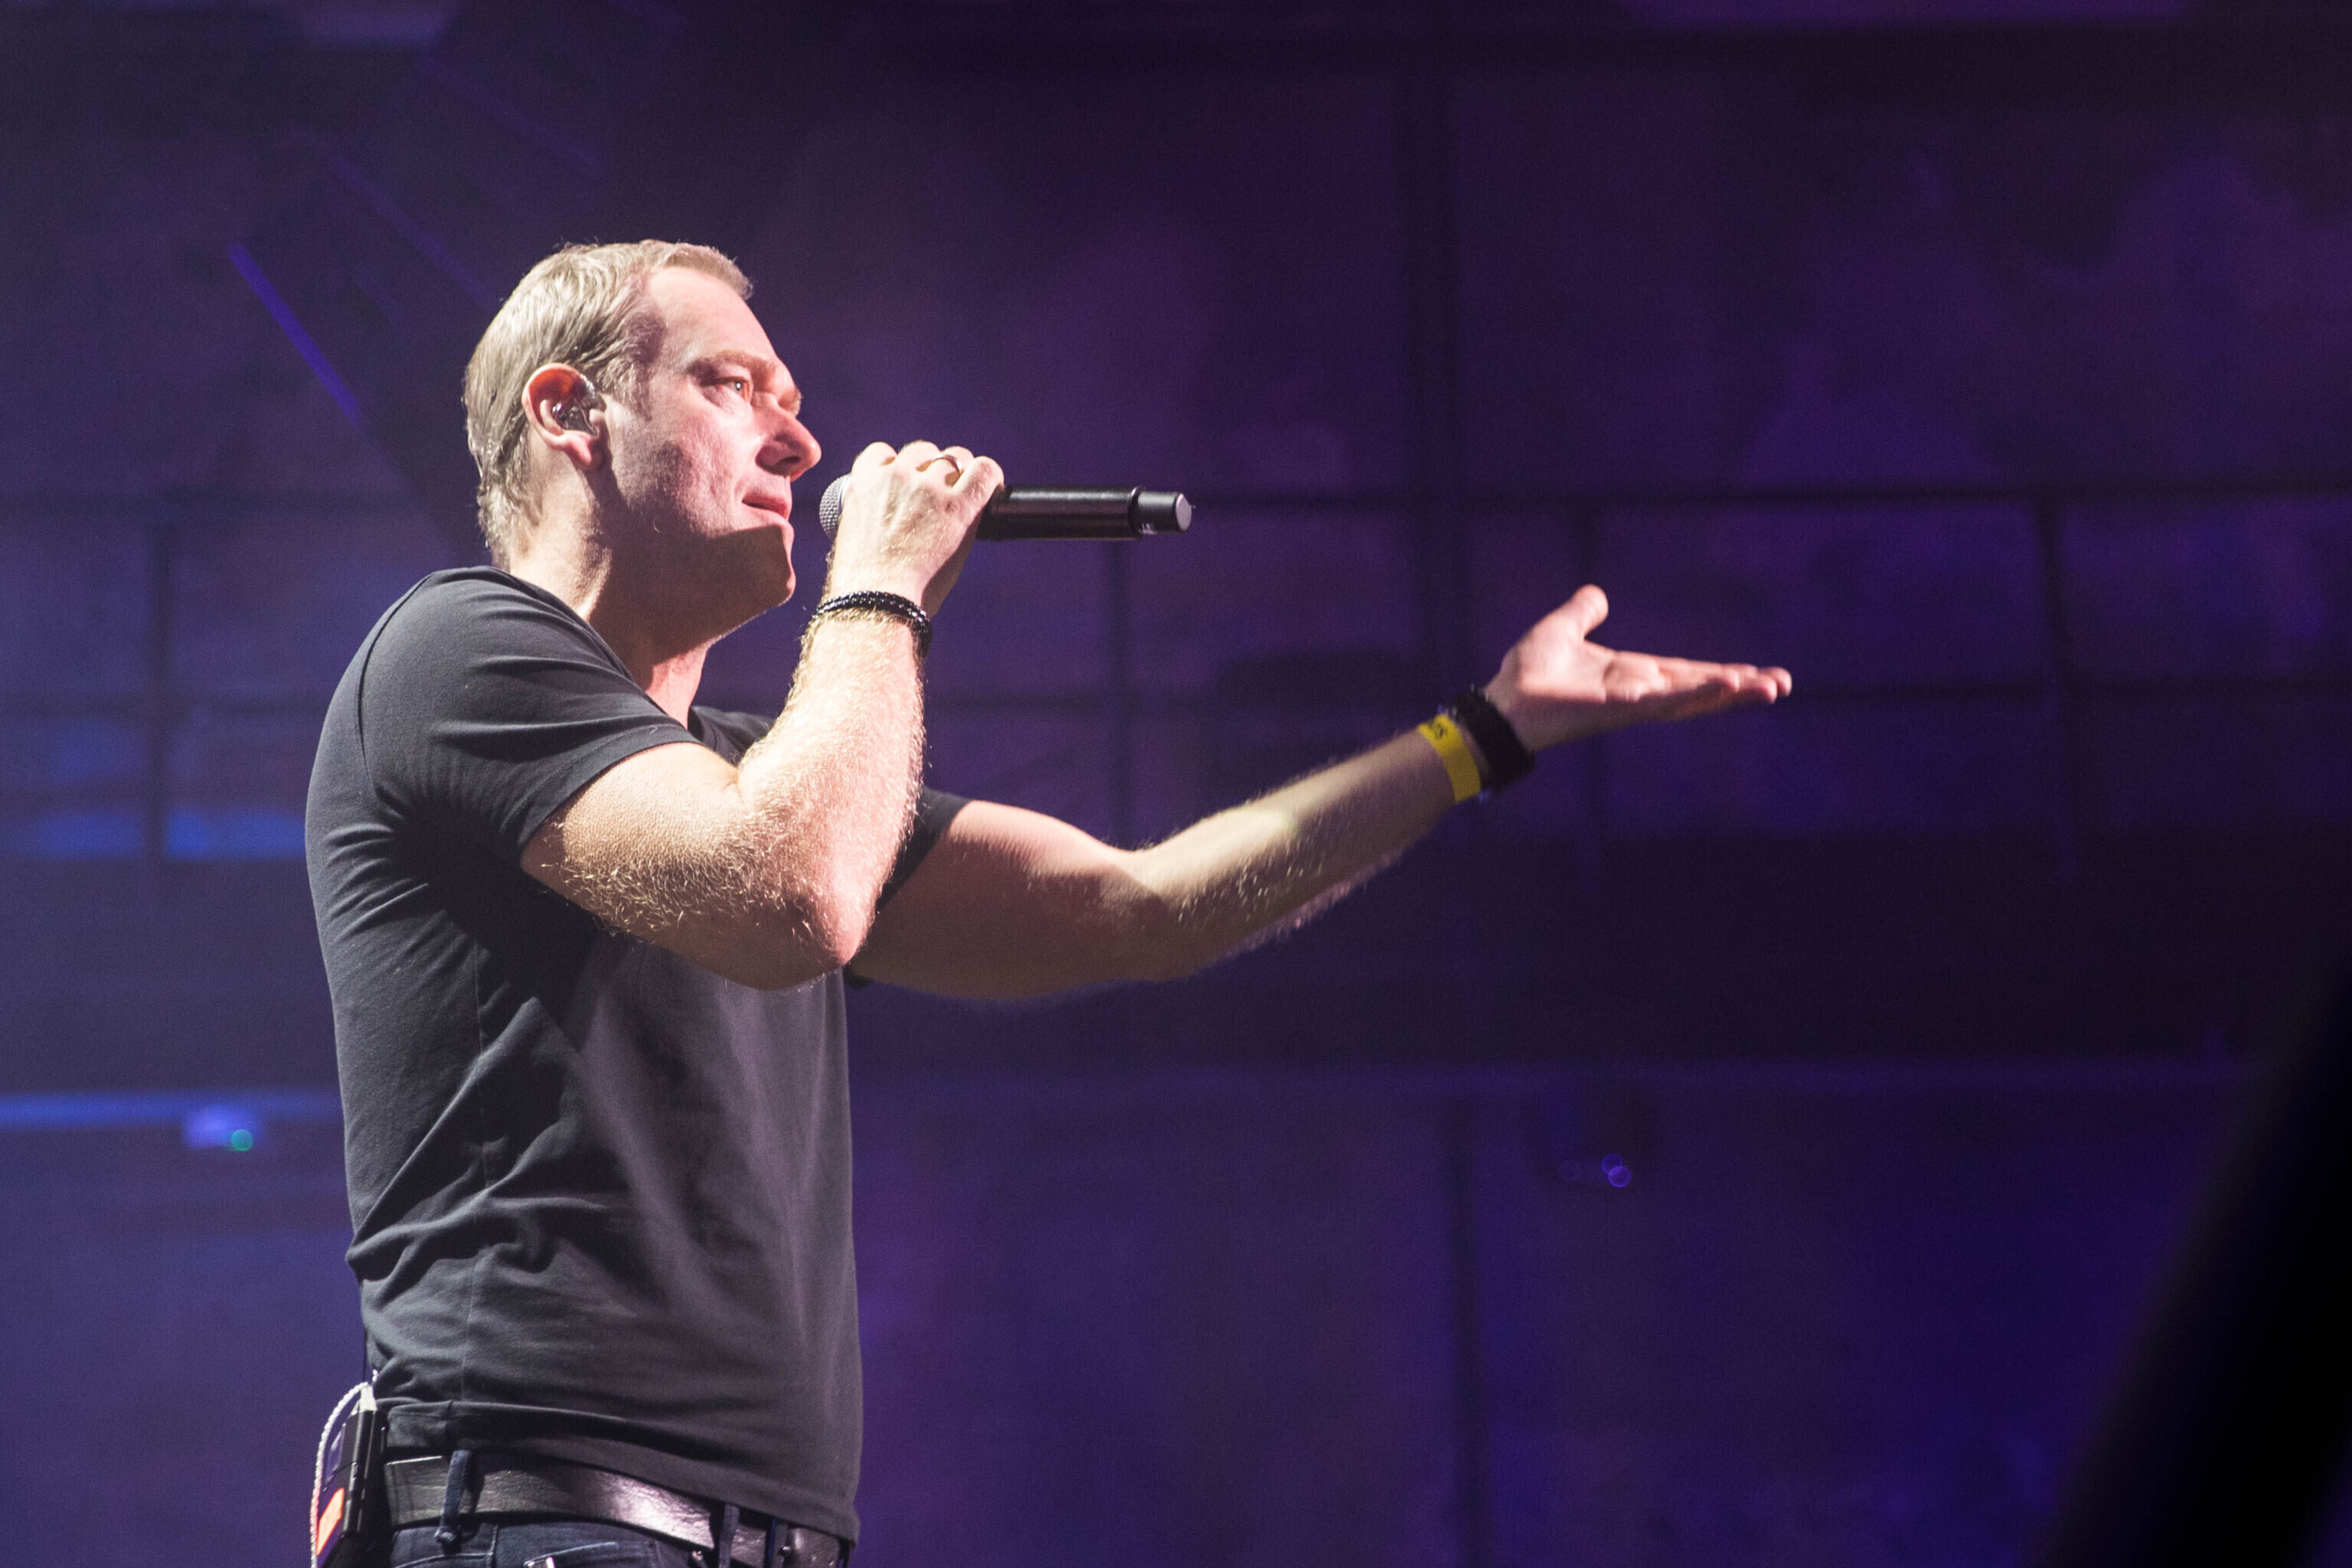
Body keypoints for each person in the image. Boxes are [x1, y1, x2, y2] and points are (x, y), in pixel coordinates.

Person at [305, 240, 1789, 1568]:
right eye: (732, 384)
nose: (801, 437)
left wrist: (1484, 736)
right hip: (549, 1523)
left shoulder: (760, 773)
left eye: (794, 398)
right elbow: (794, 896)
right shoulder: (455, 652)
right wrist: (879, 591)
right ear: (569, 411)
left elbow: (1145, 906)